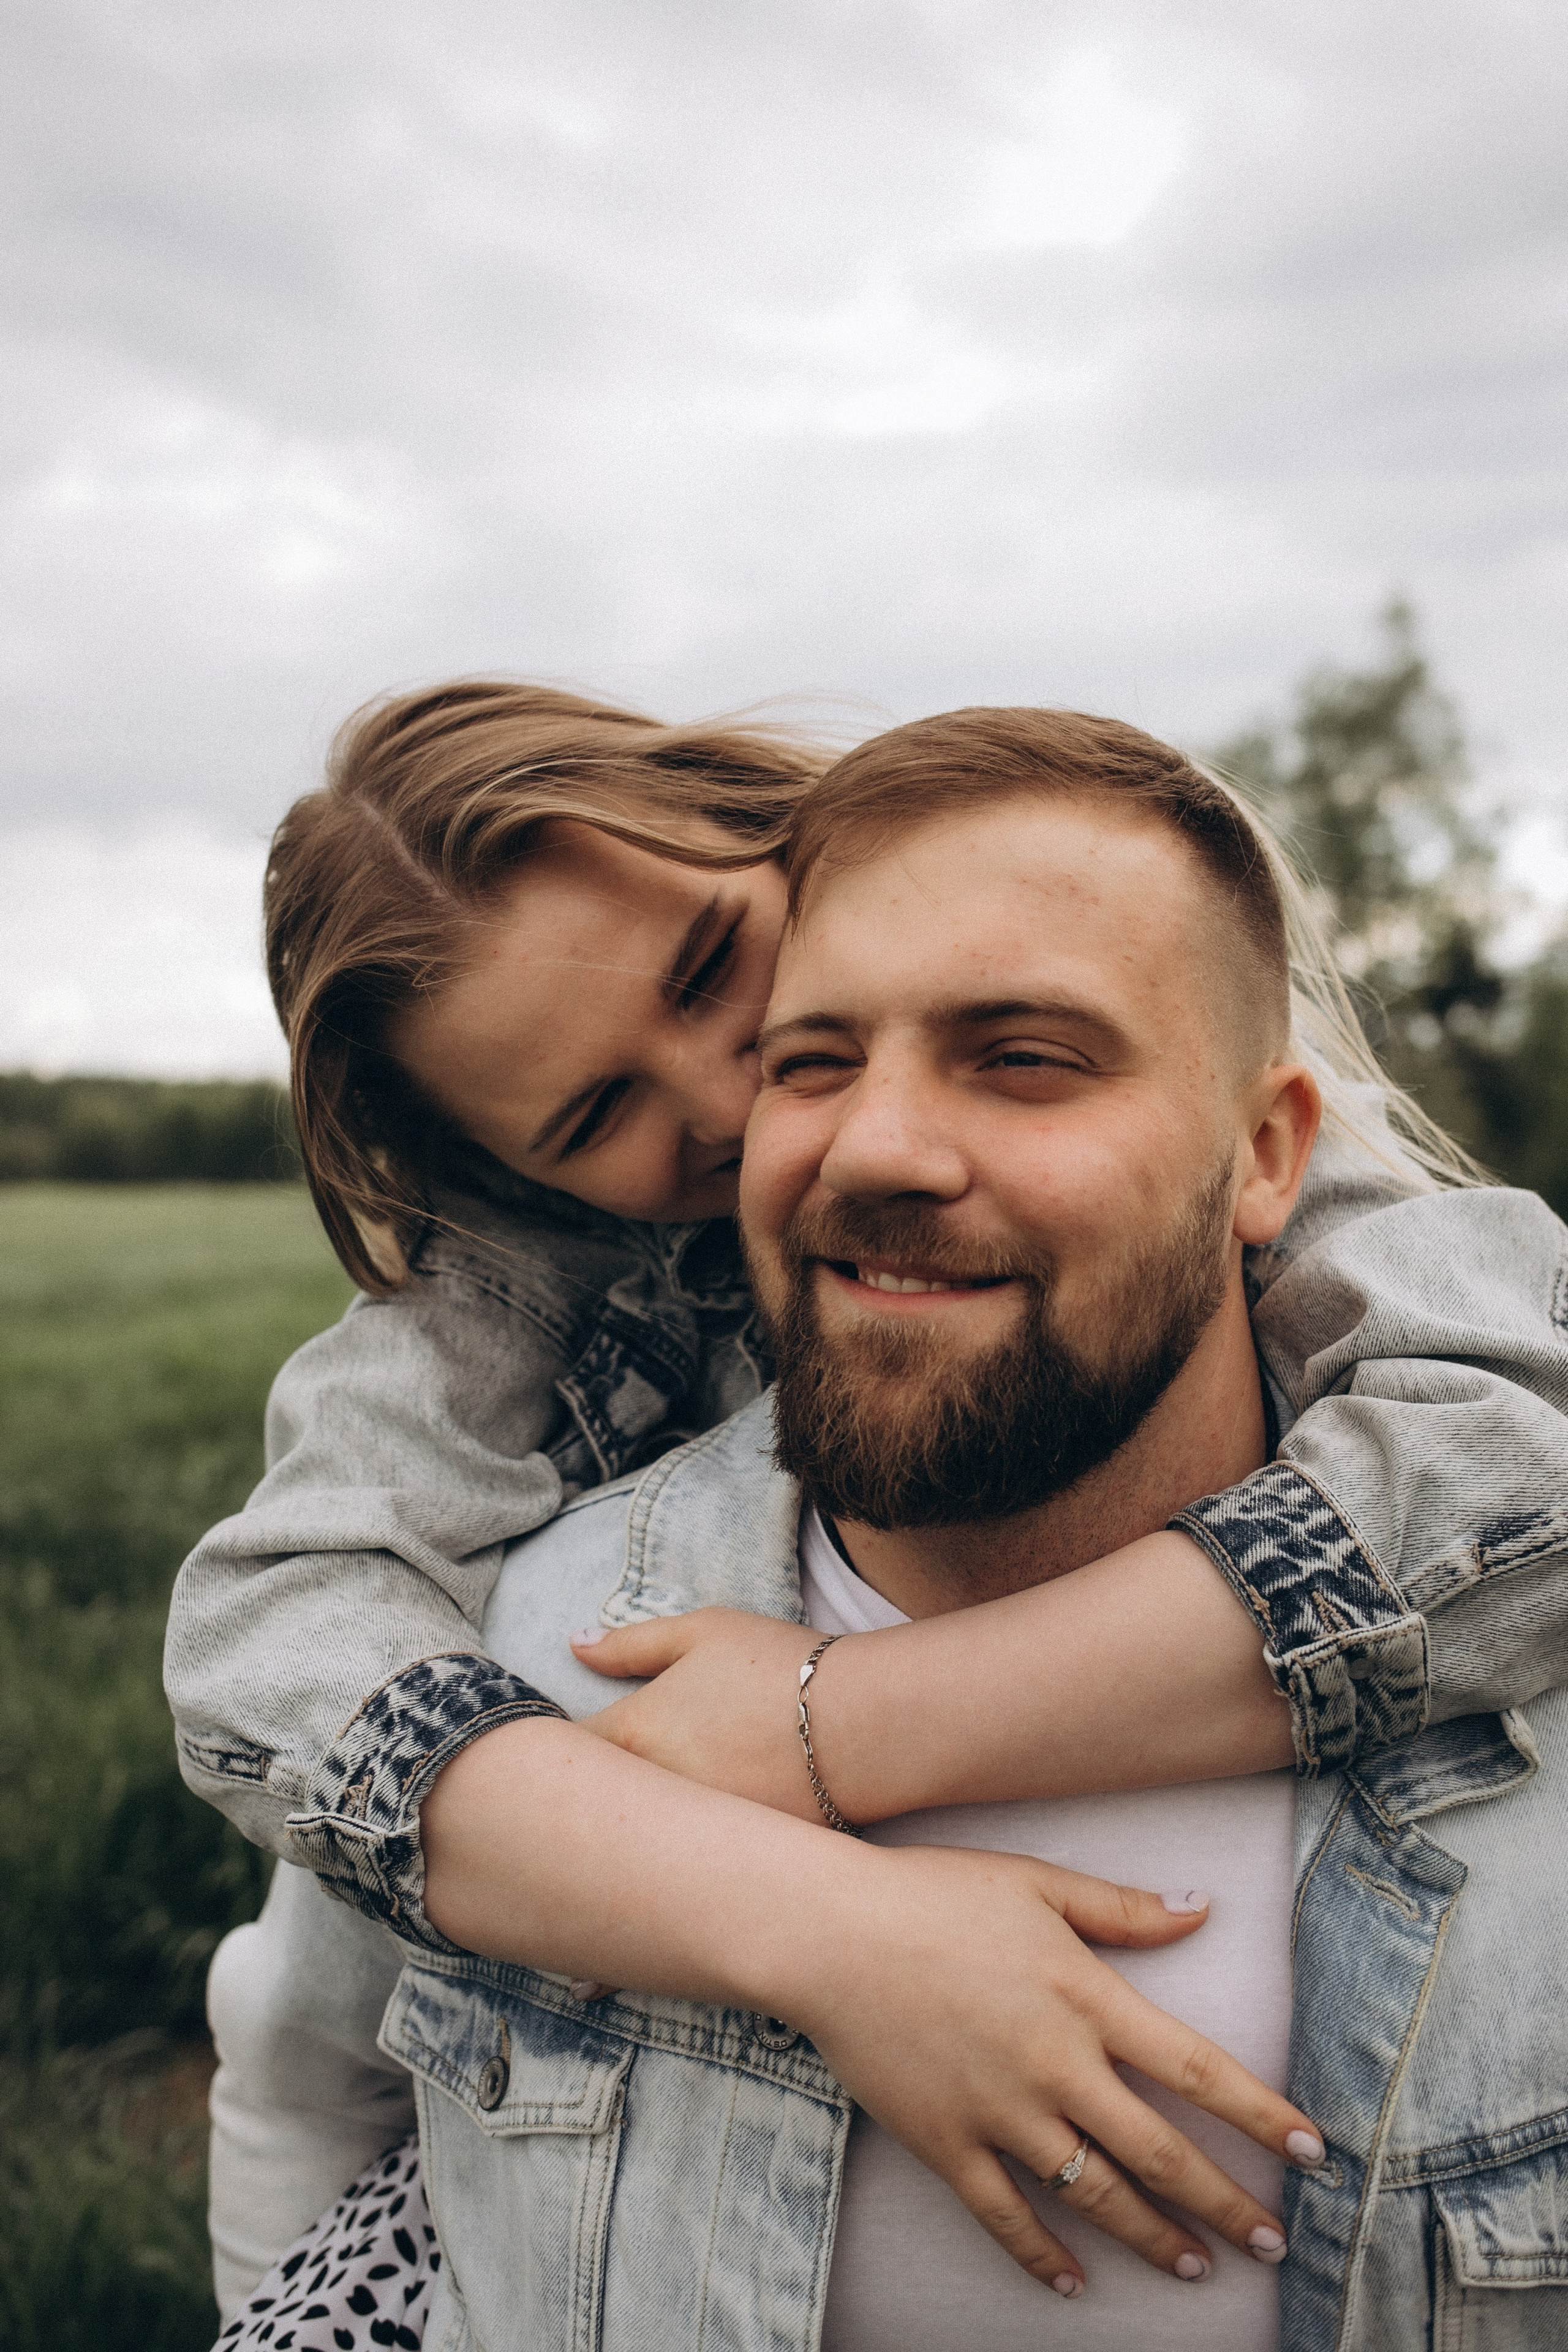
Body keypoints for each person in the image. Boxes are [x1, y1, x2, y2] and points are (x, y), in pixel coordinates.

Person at [167, 692, 1568, 2324]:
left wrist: (844, 1723)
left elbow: (1519, 1467)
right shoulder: (542, 1522)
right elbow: (276, 1650)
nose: (732, 1083)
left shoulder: (1268, 1162)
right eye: (593, 1118)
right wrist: (823, 1926)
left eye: (710, 971)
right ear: (518, 1181)